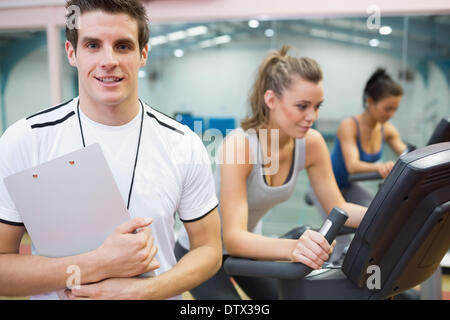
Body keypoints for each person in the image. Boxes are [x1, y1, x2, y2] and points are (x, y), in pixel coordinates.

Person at [0, 0, 221, 300]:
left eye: (122, 46)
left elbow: (209, 249)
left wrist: (145, 291)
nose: (108, 60)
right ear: (71, 53)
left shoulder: (182, 143)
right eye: (92, 45)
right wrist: (98, 263)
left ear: (143, 54)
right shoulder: (25, 141)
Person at [175, 46, 367, 300]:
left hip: (248, 246)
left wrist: (395, 213)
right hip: (202, 249)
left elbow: (339, 206)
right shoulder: (240, 145)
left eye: (317, 106)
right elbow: (232, 238)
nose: (312, 116)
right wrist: (294, 248)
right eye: (302, 106)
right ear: (271, 100)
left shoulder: (311, 143)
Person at [328, 68, 407, 207]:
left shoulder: (387, 129)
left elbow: (408, 156)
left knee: (374, 217)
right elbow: (352, 166)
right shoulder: (349, 125)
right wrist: (381, 167)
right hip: (326, 184)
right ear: (370, 101)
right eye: (388, 108)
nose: (392, 114)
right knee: (337, 226)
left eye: (395, 109)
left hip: (349, 186)